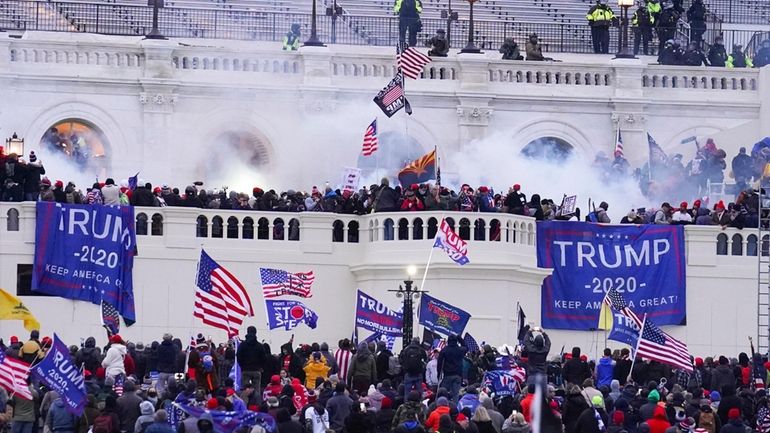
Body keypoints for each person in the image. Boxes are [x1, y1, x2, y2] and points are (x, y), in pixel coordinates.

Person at [438, 335, 467, 404]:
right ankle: (454, 410)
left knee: (443, 393)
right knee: (455, 394)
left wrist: (439, 374)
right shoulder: (460, 350)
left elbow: (439, 364)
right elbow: (466, 347)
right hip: (457, 376)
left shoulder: (444, 350)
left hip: (447, 375)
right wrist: (460, 338)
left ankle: (442, 406)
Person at [238, 326, 266, 394]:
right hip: (256, 370)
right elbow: (264, 358)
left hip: (245, 370)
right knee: (256, 390)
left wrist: (242, 366)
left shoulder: (242, 345)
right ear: (256, 333)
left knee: (245, 390)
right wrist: (260, 366)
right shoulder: (259, 346)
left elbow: (238, 356)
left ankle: (245, 403)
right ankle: (256, 403)